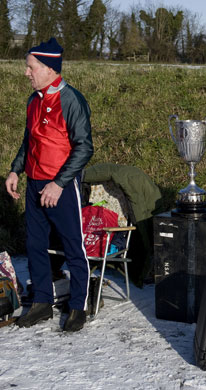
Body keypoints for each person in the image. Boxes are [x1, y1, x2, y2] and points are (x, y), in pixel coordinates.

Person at [5, 37, 94, 331]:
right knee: (35, 244)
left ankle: (78, 305)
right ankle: (42, 302)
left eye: (31, 67)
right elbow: (28, 140)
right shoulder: (33, 100)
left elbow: (84, 147)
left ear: (47, 67)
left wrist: (58, 183)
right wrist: (16, 170)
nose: (27, 73)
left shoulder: (72, 100)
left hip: (62, 186)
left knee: (72, 246)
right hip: (33, 183)